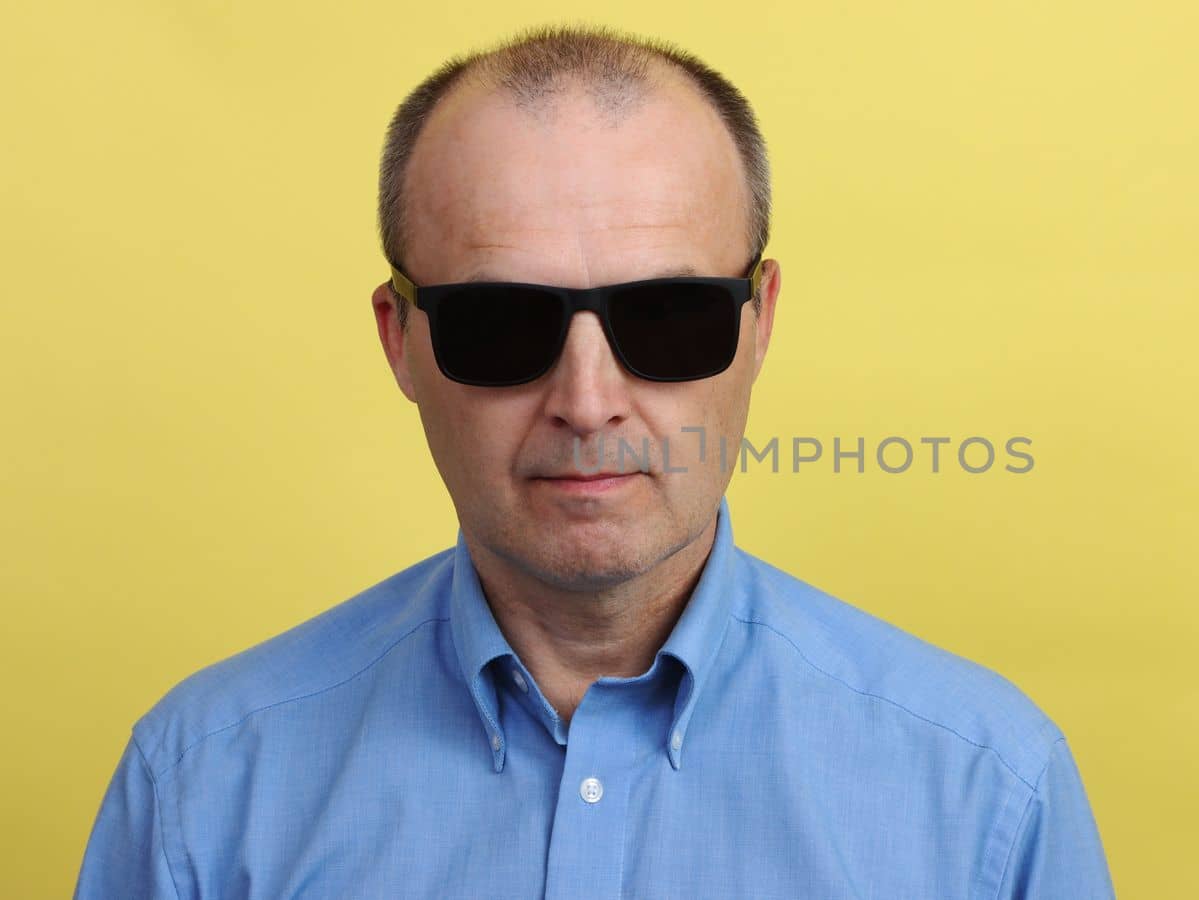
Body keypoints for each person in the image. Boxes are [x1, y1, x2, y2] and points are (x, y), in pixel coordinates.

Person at [73, 23, 1114, 899]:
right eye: (498, 325)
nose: (585, 401)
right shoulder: (201, 788)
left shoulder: (985, 793)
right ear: (400, 340)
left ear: (760, 326)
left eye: (666, 319)